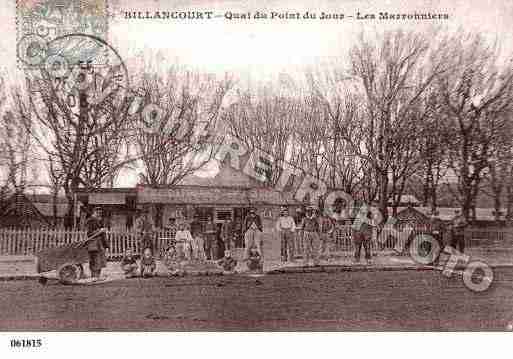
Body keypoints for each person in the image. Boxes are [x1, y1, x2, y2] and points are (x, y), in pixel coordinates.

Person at [85, 207, 109, 280]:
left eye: (100, 213)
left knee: (100, 260)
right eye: (97, 212)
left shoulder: (100, 221)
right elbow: (89, 233)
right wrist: (99, 231)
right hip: (94, 244)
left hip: (100, 243)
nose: (99, 214)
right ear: (94, 212)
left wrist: (106, 244)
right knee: (95, 260)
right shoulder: (90, 221)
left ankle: (97, 276)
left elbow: (103, 234)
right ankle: (94, 276)